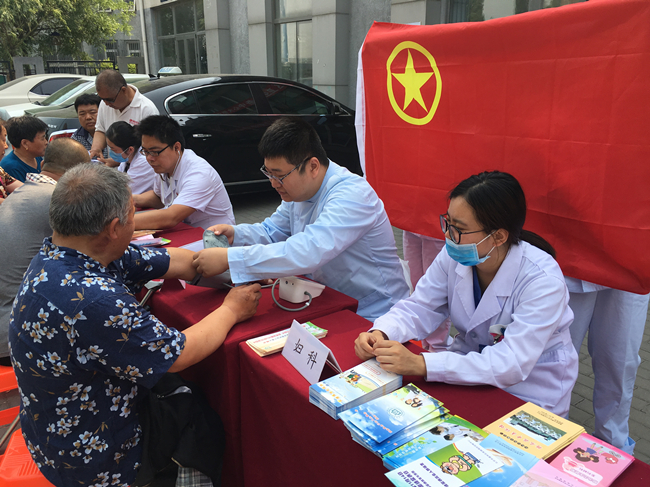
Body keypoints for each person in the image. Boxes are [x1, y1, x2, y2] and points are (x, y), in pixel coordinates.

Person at [8, 163, 261, 487]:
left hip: (52, 427)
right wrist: (232, 309)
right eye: (132, 216)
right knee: (199, 419)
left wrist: (239, 265)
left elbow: (176, 261)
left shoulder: (62, 254)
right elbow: (179, 354)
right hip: (91, 455)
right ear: (114, 228)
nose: (135, 223)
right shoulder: (91, 300)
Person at [355, 171, 578, 417]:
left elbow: (510, 363)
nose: (448, 235)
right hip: (467, 368)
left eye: (459, 229)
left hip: (530, 388)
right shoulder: (455, 254)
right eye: (448, 222)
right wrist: (381, 332)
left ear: (498, 236)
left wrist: (421, 364)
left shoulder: (543, 281)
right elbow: (421, 306)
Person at [192, 117, 409, 322]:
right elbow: (272, 231)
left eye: (280, 176)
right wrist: (237, 235)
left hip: (373, 313)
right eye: (268, 173)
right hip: (325, 300)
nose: (273, 183)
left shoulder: (352, 195)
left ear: (313, 166)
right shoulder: (299, 192)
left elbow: (308, 251)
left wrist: (231, 259)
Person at [0, 138, 91, 366]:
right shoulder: (58, 200)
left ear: (43, 165)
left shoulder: (22, 193)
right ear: (81, 175)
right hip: (19, 334)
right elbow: (98, 250)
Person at [566, 278, 649, 454]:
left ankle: (613, 452)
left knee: (620, 362)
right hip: (570, 269)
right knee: (557, 358)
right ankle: (544, 435)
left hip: (629, 272)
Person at [133, 115, 235, 230]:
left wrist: (123, 224)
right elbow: (158, 197)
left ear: (176, 147)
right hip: (184, 228)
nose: (149, 158)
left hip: (213, 235)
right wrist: (133, 200)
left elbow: (171, 217)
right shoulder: (164, 165)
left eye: (154, 152)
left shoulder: (199, 174)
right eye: (145, 151)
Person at [89, 69, 158, 160]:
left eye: (110, 100)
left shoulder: (147, 109)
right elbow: (100, 130)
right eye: (102, 99)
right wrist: (96, 149)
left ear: (123, 90)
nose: (106, 103)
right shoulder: (105, 103)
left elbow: (151, 147)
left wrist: (119, 161)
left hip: (138, 166)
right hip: (112, 165)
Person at [105, 121, 155, 195]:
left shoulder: (144, 162)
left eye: (113, 149)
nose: (111, 151)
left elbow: (122, 191)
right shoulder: (127, 157)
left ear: (130, 149)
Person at [0, 115, 48, 182]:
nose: (46, 142)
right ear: (25, 143)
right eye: (42, 138)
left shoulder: (36, 156)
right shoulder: (11, 168)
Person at [70, 93, 108, 158]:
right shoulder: (76, 139)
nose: (88, 117)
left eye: (92, 112)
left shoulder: (113, 133)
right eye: (82, 114)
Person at [0, 120, 22, 203]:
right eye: (3, 140)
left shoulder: (1, 171)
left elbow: (23, 189)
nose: (6, 146)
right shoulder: (10, 165)